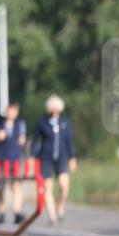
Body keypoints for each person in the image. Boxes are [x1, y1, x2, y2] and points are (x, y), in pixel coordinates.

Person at [32, 94, 76, 224]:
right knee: (47, 187)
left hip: (62, 157)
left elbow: (69, 141)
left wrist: (72, 157)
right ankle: (52, 215)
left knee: (64, 185)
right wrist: (32, 156)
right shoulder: (42, 122)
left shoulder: (65, 122)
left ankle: (60, 207)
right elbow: (35, 141)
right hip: (46, 157)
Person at [0, 100, 27, 224]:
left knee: (16, 186)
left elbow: (23, 139)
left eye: (14, 111)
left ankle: (17, 212)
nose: (11, 113)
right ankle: (2, 213)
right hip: (0, 160)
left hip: (15, 160)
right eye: (9, 110)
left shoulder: (20, 124)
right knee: (1, 187)